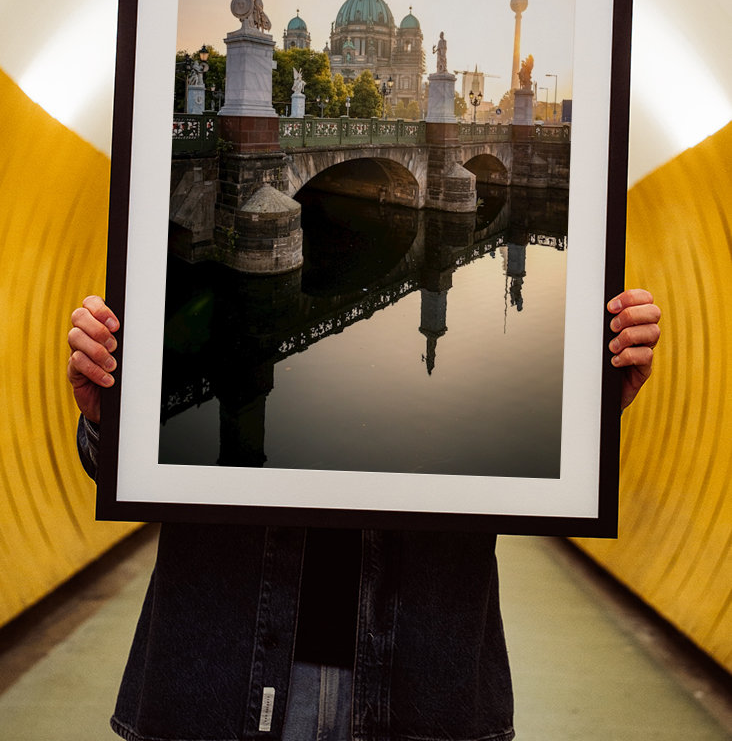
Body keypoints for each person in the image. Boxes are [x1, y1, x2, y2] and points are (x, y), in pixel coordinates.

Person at [68, 289, 660, 741]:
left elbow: (531, 463)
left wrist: (589, 411)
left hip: (421, 683)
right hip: (221, 674)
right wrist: (110, 419)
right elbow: (123, 469)